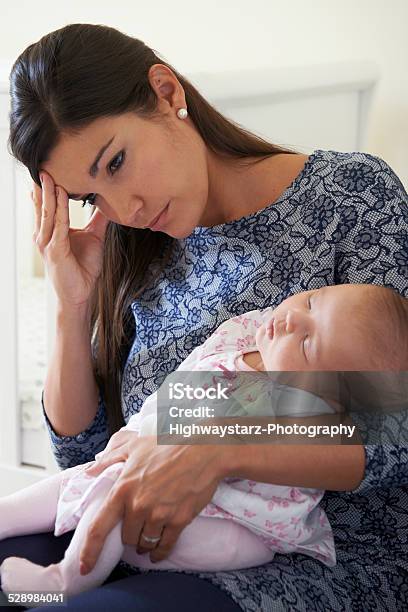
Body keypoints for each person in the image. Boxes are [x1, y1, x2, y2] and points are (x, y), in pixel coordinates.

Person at [2, 21, 408, 612]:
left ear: (167, 94)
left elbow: (399, 423)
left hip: (311, 563)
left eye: (115, 162)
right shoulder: (135, 248)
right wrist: (72, 304)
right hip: (135, 540)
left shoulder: (350, 195)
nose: (125, 209)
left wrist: (213, 447)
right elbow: (83, 459)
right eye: (91, 197)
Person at [1, 283, 407, 602]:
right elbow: (177, 389)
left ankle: (63, 583)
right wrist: (136, 433)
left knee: (114, 493)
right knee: (81, 477)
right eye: (313, 303)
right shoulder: (240, 336)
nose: (292, 322)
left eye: (307, 344)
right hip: (142, 456)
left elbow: (391, 427)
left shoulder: (305, 410)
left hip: (227, 523)